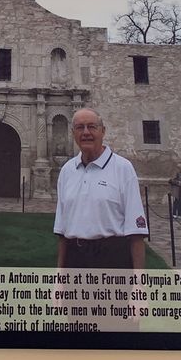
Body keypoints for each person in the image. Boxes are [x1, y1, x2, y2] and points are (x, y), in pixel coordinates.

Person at [53, 108, 148, 269]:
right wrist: (59, 275)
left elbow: (136, 233)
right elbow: (62, 232)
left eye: (92, 126)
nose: (86, 132)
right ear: (73, 133)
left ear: (103, 131)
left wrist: (139, 279)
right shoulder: (67, 171)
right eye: (80, 127)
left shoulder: (123, 168)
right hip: (74, 259)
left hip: (112, 259)